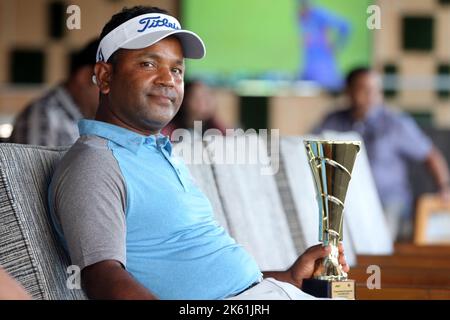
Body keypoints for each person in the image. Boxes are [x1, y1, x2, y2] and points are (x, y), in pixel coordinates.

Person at [48, 6, 349, 300]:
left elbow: (211, 272)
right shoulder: (96, 164)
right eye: (148, 64)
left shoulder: (160, 152)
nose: (168, 80)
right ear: (104, 77)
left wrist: (289, 277)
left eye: (176, 69)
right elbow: (104, 280)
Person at [314, 67, 450, 241]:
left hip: (388, 201)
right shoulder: (332, 121)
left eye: (376, 90)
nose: (371, 95)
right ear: (348, 91)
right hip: (347, 201)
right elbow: (313, 150)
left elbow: (430, 155)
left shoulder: (396, 123)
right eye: (364, 89)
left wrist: (444, 187)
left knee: (380, 239)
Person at [10, 39, 100, 146]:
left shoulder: (82, 119)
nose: (109, 93)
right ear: (85, 76)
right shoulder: (44, 115)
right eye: (105, 81)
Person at [297, 0, 350, 91]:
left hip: (322, 63)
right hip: (310, 62)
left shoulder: (320, 14)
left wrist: (337, 46)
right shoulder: (301, 15)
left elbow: (345, 26)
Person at [162, 80, 226, 140]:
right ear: (184, 101)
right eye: (198, 98)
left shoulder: (220, 130)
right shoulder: (168, 132)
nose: (206, 102)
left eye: (208, 97)